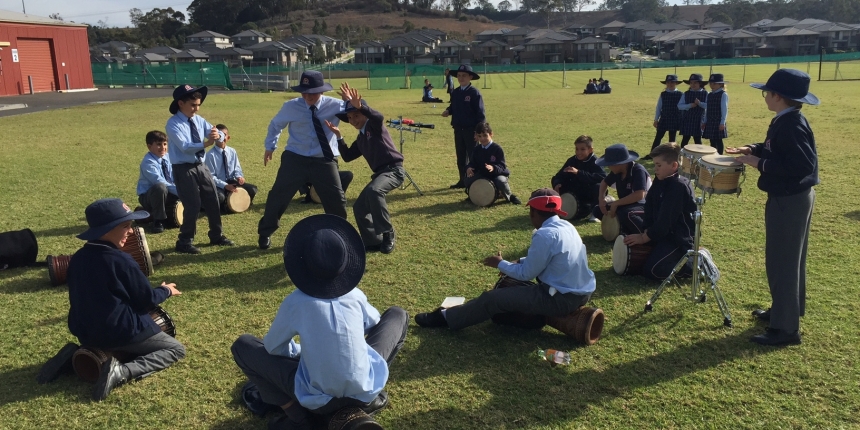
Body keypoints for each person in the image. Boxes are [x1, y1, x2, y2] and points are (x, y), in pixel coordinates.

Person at [231, 214, 408, 429]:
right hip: (365, 391)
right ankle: (361, 404)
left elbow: (274, 347)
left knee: (243, 346)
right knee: (398, 314)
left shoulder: (296, 301)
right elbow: (373, 324)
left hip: (318, 401)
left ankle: (299, 417)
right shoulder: (355, 295)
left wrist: (301, 351)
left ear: (302, 261)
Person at [36, 199, 185, 400]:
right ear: (107, 230)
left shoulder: (78, 258)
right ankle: (122, 372)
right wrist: (165, 290)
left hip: (85, 332)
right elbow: (145, 300)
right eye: (125, 226)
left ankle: (74, 356)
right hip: (119, 332)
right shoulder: (121, 260)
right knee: (175, 349)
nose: (131, 231)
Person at [414, 188, 596, 330]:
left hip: (561, 299)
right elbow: (551, 258)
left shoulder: (545, 235)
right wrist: (518, 261)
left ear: (533, 212)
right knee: (505, 303)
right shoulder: (567, 226)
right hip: (581, 295)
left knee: (492, 299)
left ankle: (445, 318)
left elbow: (526, 274)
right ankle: (526, 318)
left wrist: (499, 263)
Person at [727, 69, 819, 346]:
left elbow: (801, 165)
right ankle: (784, 311)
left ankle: (786, 330)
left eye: (767, 92)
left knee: (783, 263)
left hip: (790, 200)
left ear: (778, 96)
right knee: (788, 260)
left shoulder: (791, 124)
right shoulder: (787, 119)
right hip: (792, 197)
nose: (765, 96)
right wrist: (751, 149)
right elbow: (776, 148)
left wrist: (758, 163)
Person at [257, 70, 348, 250]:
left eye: (312, 92)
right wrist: (270, 146)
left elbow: (361, 111)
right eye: (304, 92)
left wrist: (351, 103)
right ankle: (265, 233)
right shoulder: (291, 106)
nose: (307, 96)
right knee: (278, 196)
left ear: (321, 91)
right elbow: (276, 125)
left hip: (324, 159)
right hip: (295, 158)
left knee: (336, 199)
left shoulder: (336, 106)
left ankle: (340, 234)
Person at [323, 83, 404, 254]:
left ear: (365, 114)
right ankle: (373, 242)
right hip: (380, 175)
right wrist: (339, 136)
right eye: (350, 118)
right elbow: (347, 156)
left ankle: (388, 233)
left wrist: (363, 107)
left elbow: (378, 117)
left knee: (375, 191)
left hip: (393, 171)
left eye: (357, 115)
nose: (353, 120)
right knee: (359, 208)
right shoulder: (360, 139)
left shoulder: (375, 127)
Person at [166, 84, 234, 254]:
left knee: (212, 199)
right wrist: (206, 143)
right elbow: (185, 147)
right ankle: (184, 241)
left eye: (198, 105)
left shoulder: (198, 119)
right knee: (193, 204)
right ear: (181, 103)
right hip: (183, 168)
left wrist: (217, 135)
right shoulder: (173, 124)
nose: (196, 109)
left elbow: (217, 132)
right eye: (193, 105)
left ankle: (216, 236)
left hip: (200, 165)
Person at [622, 143, 695, 280]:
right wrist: (646, 230)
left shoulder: (678, 186)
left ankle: (697, 266)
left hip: (678, 238)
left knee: (653, 271)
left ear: (674, 166)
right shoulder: (660, 179)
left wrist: (645, 237)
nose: (655, 169)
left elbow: (665, 221)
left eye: (659, 165)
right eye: (654, 165)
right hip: (662, 233)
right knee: (626, 214)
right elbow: (649, 206)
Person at [442, 64, 486, 189]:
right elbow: (454, 106)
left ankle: (474, 181)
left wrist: (478, 132)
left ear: (470, 77)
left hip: (471, 130)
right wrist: (448, 111)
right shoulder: (455, 92)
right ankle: (463, 180)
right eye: (459, 76)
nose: (461, 78)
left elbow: (481, 115)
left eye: (464, 76)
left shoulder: (474, 93)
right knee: (460, 156)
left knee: (473, 156)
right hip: (458, 129)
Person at [591, 144, 649, 235]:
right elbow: (604, 183)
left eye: (610, 164)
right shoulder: (617, 171)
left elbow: (639, 195)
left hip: (645, 206)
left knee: (627, 213)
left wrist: (616, 203)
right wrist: (601, 198)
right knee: (598, 210)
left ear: (621, 163)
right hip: (627, 206)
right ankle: (623, 230)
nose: (608, 167)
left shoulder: (638, 170)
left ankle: (646, 235)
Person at [204, 124, 258, 213]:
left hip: (232, 181)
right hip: (219, 184)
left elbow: (237, 168)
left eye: (224, 134)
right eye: (219, 134)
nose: (221, 137)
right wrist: (225, 185)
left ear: (228, 137)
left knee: (253, 189)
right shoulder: (210, 155)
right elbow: (211, 177)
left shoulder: (232, 151)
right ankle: (224, 207)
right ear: (214, 137)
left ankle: (239, 204)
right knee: (220, 197)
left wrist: (239, 176)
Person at [551, 135, 606, 222]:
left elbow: (602, 177)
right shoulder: (572, 160)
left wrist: (578, 172)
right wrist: (557, 183)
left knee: (598, 187)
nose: (579, 152)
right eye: (577, 149)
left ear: (590, 150)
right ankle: (560, 208)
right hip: (576, 190)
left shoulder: (595, 161)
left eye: (582, 149)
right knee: (557, 183)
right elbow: (559, 175)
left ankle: (595, 212)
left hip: (589, 192)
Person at [464, 122, 521, 205]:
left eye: (485, 136)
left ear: (491, 134)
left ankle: (509, 196)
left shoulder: (497, 149)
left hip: (497, 174)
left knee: (500, 181)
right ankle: (473, 195)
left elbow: (502, 166)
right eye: (479, 136)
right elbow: (472, 163)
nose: (482, 139)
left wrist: (493, 168)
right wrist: (469, 168)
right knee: (467, 180)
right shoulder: (477, 149)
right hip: (482, 173)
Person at [136, 130, 178, 234]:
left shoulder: (168, 157)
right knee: (160, 187)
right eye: (158, 144)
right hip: (150, 196)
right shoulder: (148, 162)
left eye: (164, 144)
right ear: (149, 146)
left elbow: (174, 177)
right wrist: (180, 192)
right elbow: (159, 181)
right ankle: (158, 220)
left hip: (168, 193)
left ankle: (145, 214)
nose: (163, 147)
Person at [646, 74, 683, 158]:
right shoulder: (663, 94)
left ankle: (672, 155)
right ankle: (652, 154)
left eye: (672, 82)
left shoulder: (680, 94)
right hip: (664, 118)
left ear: (676, 83)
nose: (670, 84)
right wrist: (656, 119)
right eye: (668, 82)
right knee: (658, 136)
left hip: (674, 118)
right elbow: (659, 107)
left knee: (672, 138)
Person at [701, 73, 729, 154]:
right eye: (710, 83)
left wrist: (722, 122)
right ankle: (713, 155)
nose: (712, 85)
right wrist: (705, 121)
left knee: (718, 140)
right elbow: (708, 108)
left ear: (720, 84)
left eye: (714, 83)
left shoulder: (723, 94)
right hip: (710, 121)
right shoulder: (709, 95)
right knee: (712, 140)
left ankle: (719, 155)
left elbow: (724, 109)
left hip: (718, 121)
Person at [677, 73, 707, 147]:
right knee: (685, 139)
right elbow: (679, 106)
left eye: (695, 83)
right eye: (691, 83)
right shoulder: (686, 93)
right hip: (687, 119)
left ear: (700, 83)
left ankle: (699, 156)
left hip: (699, 119)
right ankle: (682, 156)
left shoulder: (706, 93)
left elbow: (708, 106)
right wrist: (689, 105)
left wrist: (700, 103)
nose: (693, 84)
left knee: (697, 139)